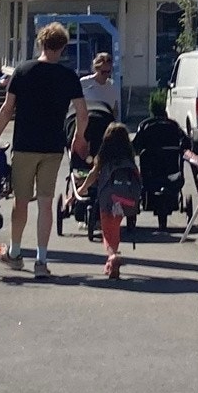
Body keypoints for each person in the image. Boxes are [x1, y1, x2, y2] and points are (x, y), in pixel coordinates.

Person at [0, 22, 89, 280]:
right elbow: (83, 113)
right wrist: (78, 137)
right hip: (53, 147)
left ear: (41, 43)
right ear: (63, 47)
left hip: (25, 146)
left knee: (21, 201)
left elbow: (7, 109)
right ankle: (41, 260)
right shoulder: (68, 76)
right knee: (45, 203)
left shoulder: (23, 71)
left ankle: (16, 253)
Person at [76, 119, 142, 281]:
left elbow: (92, 176)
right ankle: (110, 263)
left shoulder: (104, 158)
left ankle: (112, 256)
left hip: (108, 199)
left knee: (107, 232)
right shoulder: (129, 159)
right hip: (126, 198)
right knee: (115, 229)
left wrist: (81, 189)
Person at [81, 49, 121, 118]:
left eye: (108, 72)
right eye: (103, 72)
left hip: (106, 121)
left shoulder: (112, 86)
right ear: (96, 69)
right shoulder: (84, 82)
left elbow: (115, 109)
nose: (106, 75)